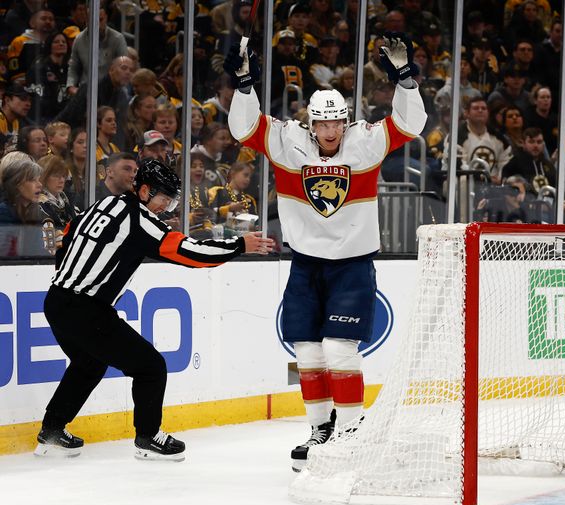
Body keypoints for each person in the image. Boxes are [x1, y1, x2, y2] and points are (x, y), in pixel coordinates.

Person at [224, 31, 426, 472]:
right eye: (322, 123)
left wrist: (406, 78)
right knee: (308, 353)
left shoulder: (366, 141)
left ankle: (351, 429)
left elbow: (410, 125)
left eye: (336, 123)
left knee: (339, 349)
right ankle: (320, 428)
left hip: (353, 263)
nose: (330, 131)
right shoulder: (286, 140)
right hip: (306, 262)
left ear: (346, 121)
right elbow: (244, 127)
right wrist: (244, 87)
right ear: (311, 123)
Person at [34, 159, 274, 460]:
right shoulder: (139, 219)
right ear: (144, 190)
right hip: (86, 308)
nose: (167, 206)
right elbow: (190, 253)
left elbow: (67, 235)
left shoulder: (103, 204)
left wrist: (71, 275)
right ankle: (148, 437)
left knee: (89, 363)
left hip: (56, 300)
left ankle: (52, 431)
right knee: (150, 366)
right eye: (164, 198)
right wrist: (239, 245)